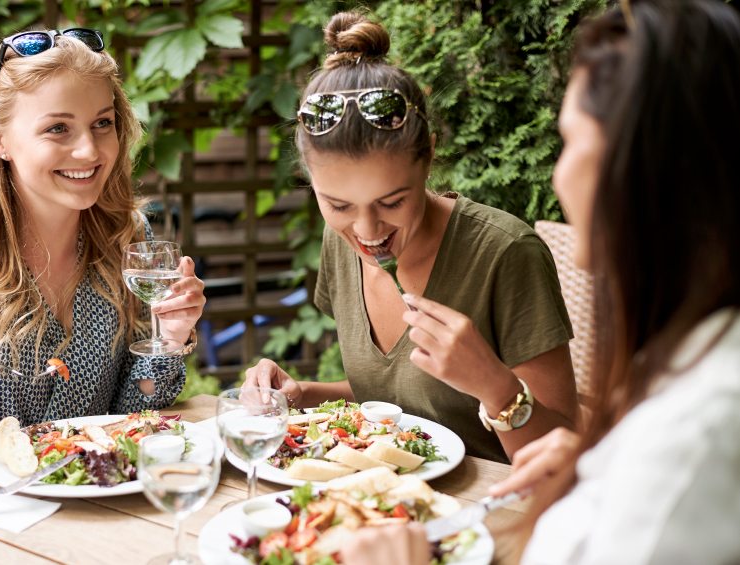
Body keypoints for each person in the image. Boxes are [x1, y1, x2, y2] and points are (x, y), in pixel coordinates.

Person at [341, 1, 740, 563]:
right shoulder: (690, 368)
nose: (559, 171)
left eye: (572, 139)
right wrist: (594, 469)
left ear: (646, 168)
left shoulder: (693, 438)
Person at [244, 12, 579, 462]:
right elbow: (398, 399)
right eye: (339, 205)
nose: (367, 232)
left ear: (429, 157)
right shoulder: (338, 243)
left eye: (392, 201)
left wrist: (493, 385)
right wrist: (302, 394)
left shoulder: (506, 253)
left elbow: (567, 459)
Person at [0, 29, 206, 496]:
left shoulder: (128, 240)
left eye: (102, 123)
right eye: (58, 128)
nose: (89, 151)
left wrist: (171, 338)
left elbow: (128, 416)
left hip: (83, 502)